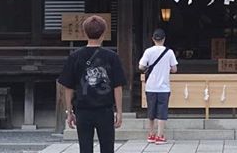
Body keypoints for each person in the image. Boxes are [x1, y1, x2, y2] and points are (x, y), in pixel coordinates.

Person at [58, 15, 127, 153]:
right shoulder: (112, 57)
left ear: (84, 32)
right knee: (107, 148)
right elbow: (117, 86)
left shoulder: (75, 57)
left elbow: (68, 87)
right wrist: (119, 111)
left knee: (85, 148)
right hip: (105, 110)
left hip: (83, 110)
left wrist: (69, 111)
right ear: (104, 33)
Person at [138, 28, 178, 144]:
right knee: (162, 111)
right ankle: (160, 136)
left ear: (153, 39)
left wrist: (148, 68)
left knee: (151, 111)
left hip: (150, 86)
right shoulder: (169, 52)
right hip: (164, 87)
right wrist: (167, 68)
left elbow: (141, 66)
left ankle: (151, 134)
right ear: (164, 39)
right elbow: (174, 69)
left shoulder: (148, 51)